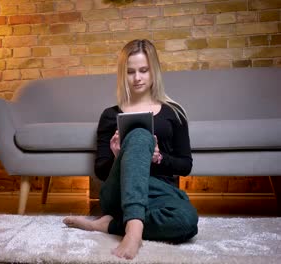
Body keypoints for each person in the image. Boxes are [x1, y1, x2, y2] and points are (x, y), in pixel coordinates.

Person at [63, 39, 198, 259]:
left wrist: (159, 158)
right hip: (118, 192)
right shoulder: (110, 115)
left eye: (144, 70)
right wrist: (119, 157)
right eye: (130, 72)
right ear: (123, 75)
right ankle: (134, 232)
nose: (137, 78)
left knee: (187, 222)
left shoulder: (175, 112)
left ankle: (109, 225)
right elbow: (100, 170)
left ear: (154, 71)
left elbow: (185, 165)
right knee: (139, 133)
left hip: (159, 192)